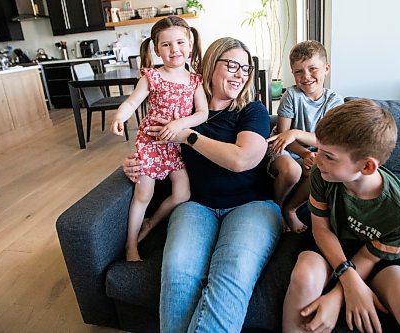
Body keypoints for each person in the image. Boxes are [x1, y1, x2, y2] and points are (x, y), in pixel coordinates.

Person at [123, 37, 282, 332]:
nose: (240, 74)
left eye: (245, 69)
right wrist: (134, 163)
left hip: (252, 206)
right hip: (196, 206)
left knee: (231, 274)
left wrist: (189, 136)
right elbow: (150, 144)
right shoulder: (181, 109)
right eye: (232, 65)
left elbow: (243, 159)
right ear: (210, 64)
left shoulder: (251, 111)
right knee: (177, 273)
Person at [282, 99, 400, 333]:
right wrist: (349, 280)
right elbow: (321, 230)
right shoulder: (321, 173)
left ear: (366, 167)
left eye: (329, 155)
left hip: (373, 256)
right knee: (304, 278)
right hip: (329, 242)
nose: (317, 159)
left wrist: (338, 295)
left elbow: (370, 256)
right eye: (320, 149)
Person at [111, 16, 208, 261]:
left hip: (176, 145)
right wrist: (119, 117)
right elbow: (133, 101)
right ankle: (131, 245)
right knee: (144, 193)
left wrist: (180, 123)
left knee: (183, 193)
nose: (174, 49)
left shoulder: (195, 81)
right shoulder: (152, 77)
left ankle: (151, 223)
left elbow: (202, 113)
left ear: (190, 45)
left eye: (180, 42)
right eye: (166, 45)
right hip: (152, 142)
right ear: (156, 49)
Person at [267, 40, 343, 234]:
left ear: (326, 69)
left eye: (312, 69)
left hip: (316, 152)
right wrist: (302, 150)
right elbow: (283, 137)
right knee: (292, 170)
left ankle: (290, 209)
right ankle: (276, 208)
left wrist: (298, 136)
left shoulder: (334, 101)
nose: (306, 76)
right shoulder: (291, 96)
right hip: (283, 148)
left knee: (321, 171)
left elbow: (330, 141)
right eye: (299, 71)